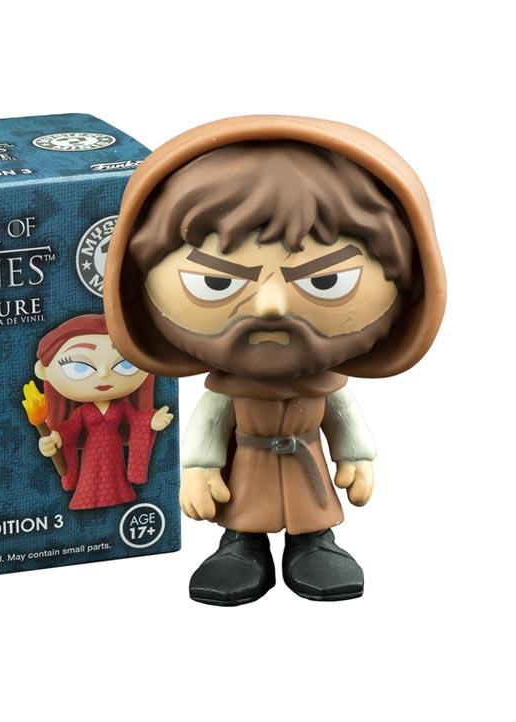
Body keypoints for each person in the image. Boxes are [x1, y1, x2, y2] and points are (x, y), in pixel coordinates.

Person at [104, 116, 446, 604]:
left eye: (326, 281)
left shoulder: (327, 382)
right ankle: (241, 546)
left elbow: (343, 416)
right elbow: (209, 424)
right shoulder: (228, 390)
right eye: (216, 281)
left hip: (308, 465)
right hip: (248, 465)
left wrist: (356, 455)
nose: (270, 307)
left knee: (312, 517)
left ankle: (314, 544)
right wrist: (199, 469)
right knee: (243, 514)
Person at [34, 314, 173, 510]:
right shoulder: (83, 411)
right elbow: (70, 428)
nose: (104, 374)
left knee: (115, 475)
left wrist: (151, 420)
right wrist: (55, 437)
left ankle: (120, 494)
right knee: (90, 475)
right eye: (79, 367)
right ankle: (85, 499)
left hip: (113, 450)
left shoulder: (120, 407)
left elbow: (137, 418)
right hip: (92, 451)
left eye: (125, 364)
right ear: (43, 371)